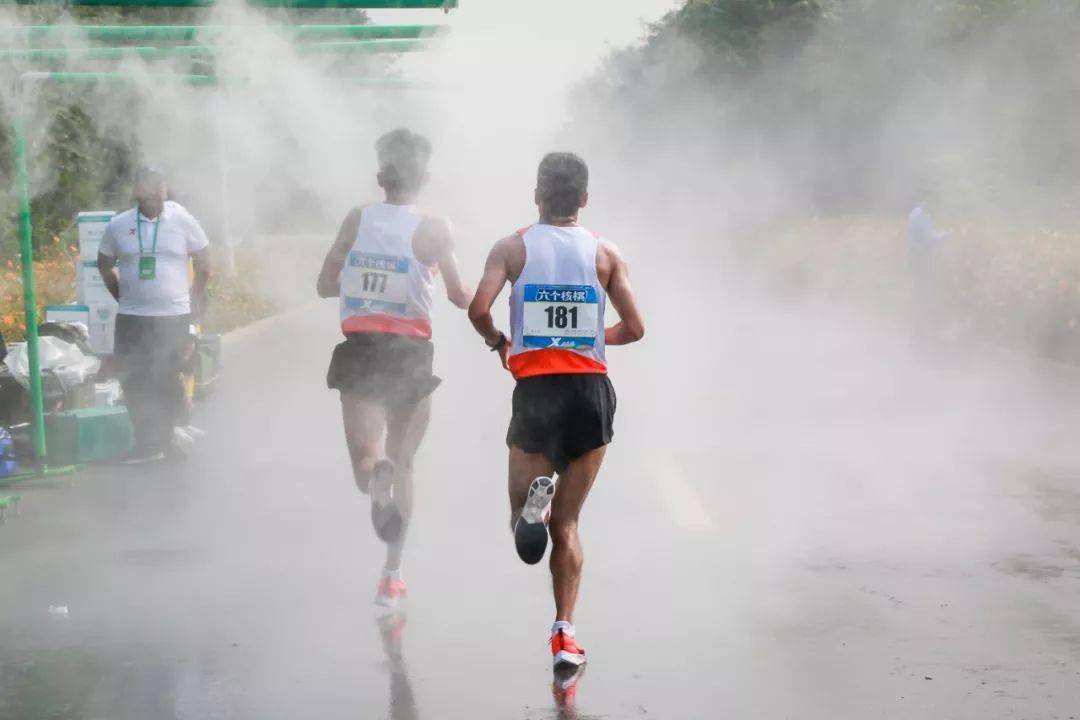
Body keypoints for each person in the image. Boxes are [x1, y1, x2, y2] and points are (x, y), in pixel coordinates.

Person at [467, 152, 645, 669]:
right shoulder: (605, 253)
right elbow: (634, 328)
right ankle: (565, 634)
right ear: (584, 200)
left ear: (537, 197)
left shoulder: (512, 248)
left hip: (537, 391)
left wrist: (501, 341)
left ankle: (530, 506)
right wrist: (588, 336)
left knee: (524, 534)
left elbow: (478, 309)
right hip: (590, 392)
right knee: (567, 526)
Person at [317, 128, 472, 608]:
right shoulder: (434, 226)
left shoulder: (357, 218)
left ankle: (373, 478)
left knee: (368, 461)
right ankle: (393, 576)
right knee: (405, 463)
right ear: (424, 176)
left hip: (362, 348)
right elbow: (458, 294)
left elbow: (324, 284)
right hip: (410, 352)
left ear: (379, 174)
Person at [98, 167, 212, 463]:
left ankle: (166, 439)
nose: (153, 193)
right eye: (146, 187)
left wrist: (194, 301)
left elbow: (204, 264)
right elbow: (104, 263)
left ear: (165, 190)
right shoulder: (119, 225)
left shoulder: (182, 220)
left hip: (172, 315)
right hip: (132, 317)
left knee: (166, 376)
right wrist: (121, 295)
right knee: (134, 378)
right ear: (136, 190)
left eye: (158, 187)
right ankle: (145, 442)